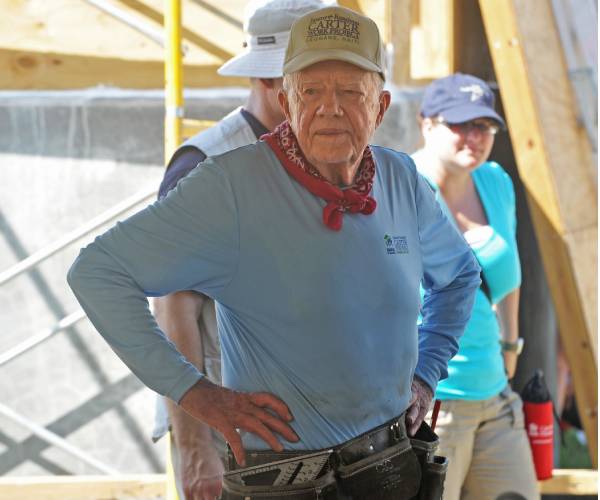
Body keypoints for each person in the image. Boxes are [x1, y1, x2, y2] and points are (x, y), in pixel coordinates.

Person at [68, 6, 481, 498]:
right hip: (287, 479)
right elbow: (98, 272)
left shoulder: (400, 180)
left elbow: (458, 277)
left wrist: (426, 372)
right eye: (311, 91)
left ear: (381, 106)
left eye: (351, 92)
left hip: (389, 466)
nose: (330, 108)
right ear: (285, 101)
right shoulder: (230, 185)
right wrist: (197, 396)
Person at [151, 1, 332, 498]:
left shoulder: (319, 156)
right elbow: (172, 310)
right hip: (232, 432)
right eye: (316, 81)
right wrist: (193, 445)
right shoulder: (207, 165)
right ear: (273, 83)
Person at [412, 73, 539, 500]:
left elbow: (508, 274)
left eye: (483, 125)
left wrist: (510, 347)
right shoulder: (398, 186)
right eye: (460, 124)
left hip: (495, 398)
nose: (474, 136)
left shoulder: (495, 181)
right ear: (426, 124)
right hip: (429, 406)